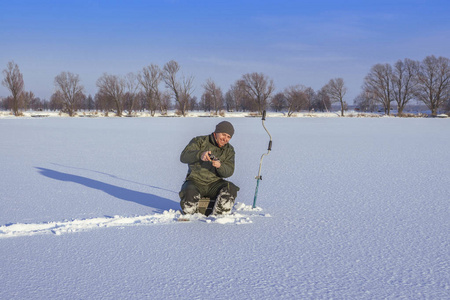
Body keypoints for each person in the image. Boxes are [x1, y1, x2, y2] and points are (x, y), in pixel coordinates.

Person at [179, 121, 239, 215]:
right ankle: (191, 219)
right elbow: (183, 157)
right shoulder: (199, 141)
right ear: (216, 132)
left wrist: (220, 166)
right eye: (223, 135)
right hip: (195, 180)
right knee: (189, 190)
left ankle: (219, 217)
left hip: (214, 183)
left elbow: (229, 171)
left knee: (230, 188)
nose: (225, 139)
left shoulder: (229, 150)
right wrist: (200, 155)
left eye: (229, 137)